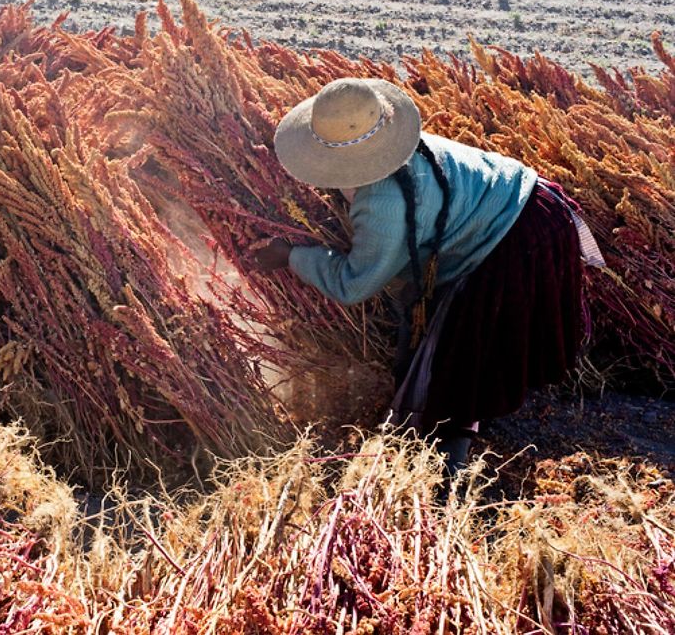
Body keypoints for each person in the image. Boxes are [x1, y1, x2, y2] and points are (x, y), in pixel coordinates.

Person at [252, 78, 603, 476]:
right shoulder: (401, 148)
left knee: (458, 365)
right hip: (536, 204)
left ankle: (447, 473)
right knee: (466, 351)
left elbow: (354, 283)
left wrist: (292, 256)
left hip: (512, 241)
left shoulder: (384, 200)